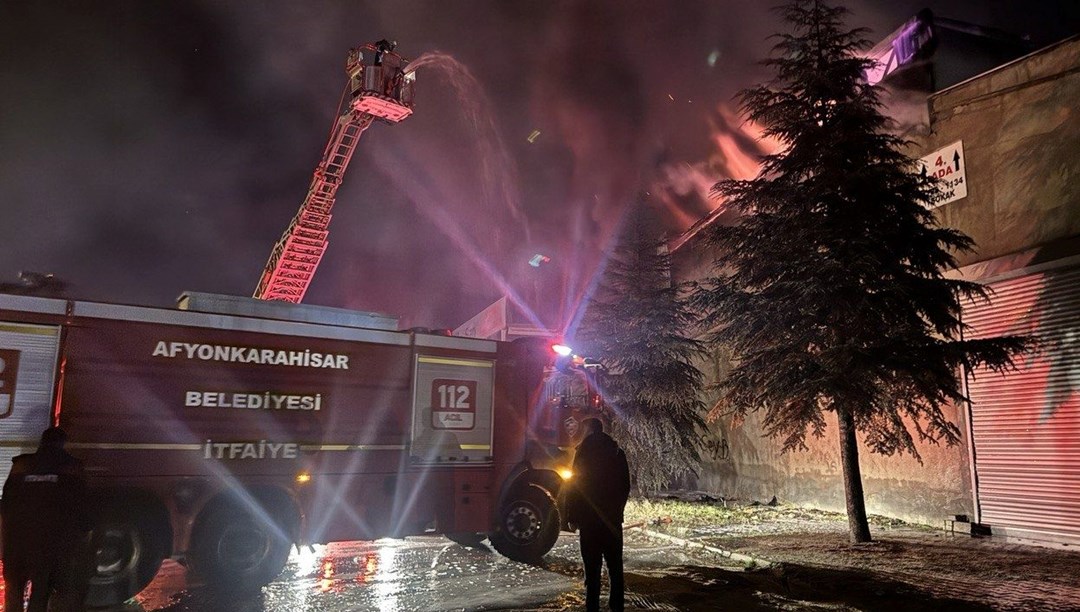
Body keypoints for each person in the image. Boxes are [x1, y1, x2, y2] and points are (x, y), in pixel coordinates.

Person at [2, 427, 91, 612]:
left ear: (42, 443)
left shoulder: (21, 464)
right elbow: (81, 507)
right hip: (48, 545)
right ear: (63, 444)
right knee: (40, 591)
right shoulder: (72, 467)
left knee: (14, 592)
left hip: (16, 542)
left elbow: (7, 502)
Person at [566, 418, 631, 612]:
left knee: (592, 570)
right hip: (612, 520)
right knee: (615, 568)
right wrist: (618, 510)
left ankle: (592, 607)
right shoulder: (617, 452)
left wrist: (573, 517)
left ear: (588, 430)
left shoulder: (582, 453)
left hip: (589, 522)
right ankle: (616, 606)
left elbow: (574, 486)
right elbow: (625, 486)